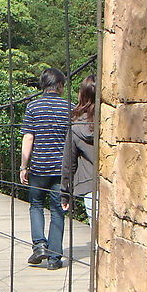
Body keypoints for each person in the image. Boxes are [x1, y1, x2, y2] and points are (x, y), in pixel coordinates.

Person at [19, 67, 72, 271]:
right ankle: (54, 258)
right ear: (59, 85)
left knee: (36, 205)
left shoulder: (33, 107)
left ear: (43, 84)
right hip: (61, 168)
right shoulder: (70, 107)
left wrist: (24, 165)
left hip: (39, 167)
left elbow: (28, 137)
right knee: (58, 210)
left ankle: (39, 245)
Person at [61, 75, 96, 224]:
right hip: (116, 186)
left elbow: (68, 163)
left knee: (97, 235)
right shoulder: (114, 121)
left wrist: (65, 193)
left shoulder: (76, 127)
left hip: (90, 186)